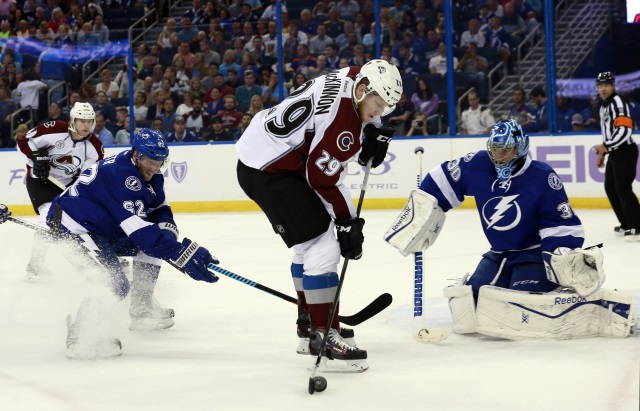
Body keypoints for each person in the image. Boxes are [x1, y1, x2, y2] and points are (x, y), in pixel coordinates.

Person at [384, 119, 635, 340]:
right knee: (469, 302)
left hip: (534, 253)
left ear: (520, 147)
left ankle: (588, 305)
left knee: (520, 305)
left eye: (506, 150)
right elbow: (444, 178)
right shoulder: (480, 164)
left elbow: (559, 222)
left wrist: (558, 256)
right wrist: (423, 210)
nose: (499, 156)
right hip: (500, 253)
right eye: (495, 149)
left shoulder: (542, 176)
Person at [235, 60, 402, 371]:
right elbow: (321, 178)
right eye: (378, 105)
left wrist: (375, 130)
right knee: (324, 246)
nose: (379, 113)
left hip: (262, 154)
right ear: (364, 89)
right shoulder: (344, 126)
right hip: (270, 171)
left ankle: (309, 321)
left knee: (306, 245)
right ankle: (323, 334)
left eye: (385, 108)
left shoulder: (352, 75)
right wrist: (349, 222)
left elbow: (327, 146)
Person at [44, 129, 220, 359]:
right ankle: (79, 336)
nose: (154, 168)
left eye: (159, 162)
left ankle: (141, 306)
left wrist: (169, 238)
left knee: (160, 239)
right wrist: (181, 254)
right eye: (149, 161)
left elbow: (159, 209)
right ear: (136, 154)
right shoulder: (125, 179)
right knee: (113, 283)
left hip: (103, 226)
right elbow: (142, 235)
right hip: (75, 225)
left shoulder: (150, 174)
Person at [16, 103, 104, 282]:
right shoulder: (54, 129)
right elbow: (23, 141)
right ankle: (34, 268)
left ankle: (104, 257)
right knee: (47, 218)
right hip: (40, 181)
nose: (86, 125)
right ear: (73, 120)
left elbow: (87, 178)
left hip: (67, 185)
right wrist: (35, 158)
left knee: (85, 219)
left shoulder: (95, 146)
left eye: (89, 121)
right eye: (81, 121)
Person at [592, 72, 640, 241]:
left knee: (623, 187)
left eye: (606, 85)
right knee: (611, 187)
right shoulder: (604, 106)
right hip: (615, 152)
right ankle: (626, 223)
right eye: (600, 85)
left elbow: (625, 131)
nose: (603, 88)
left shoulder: (618, 103)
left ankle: (637, 226)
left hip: (625, 151)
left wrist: (606, 146)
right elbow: (608, 133)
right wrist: (604, 152)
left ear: (613, 86)